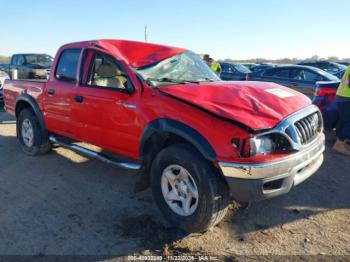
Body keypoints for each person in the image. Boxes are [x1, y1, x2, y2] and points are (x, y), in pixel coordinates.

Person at [333, 66, 350, 156]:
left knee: (344, 120)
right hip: (347, 98)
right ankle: (339, 144)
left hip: (341, 96)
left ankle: (340, 140)